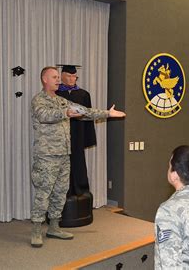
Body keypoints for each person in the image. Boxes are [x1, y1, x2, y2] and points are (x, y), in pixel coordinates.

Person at [30, 66, 125, 248]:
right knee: (43, 193)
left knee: (60, 192)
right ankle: (36, 229)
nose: (58, 80)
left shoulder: (62, 101)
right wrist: (64, 113)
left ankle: (54, 227)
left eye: (59, 77)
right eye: (54, 77)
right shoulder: (39, 100)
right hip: (47, 156)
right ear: (44, 79)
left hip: (64, 155)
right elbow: (44, 116)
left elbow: (85, 112)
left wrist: (107, 113)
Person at [56, 65, 96, 197]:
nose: (72, 79)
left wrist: (88, 138)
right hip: (60, 136)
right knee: (62, 166)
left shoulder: (83, 94)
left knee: (78, 162)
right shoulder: (56, 93)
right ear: (61, 76)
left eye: (74, 76)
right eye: (69, 76)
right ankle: (64, 192)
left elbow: (89, 116)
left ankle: (80, 189)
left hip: (78, 134)